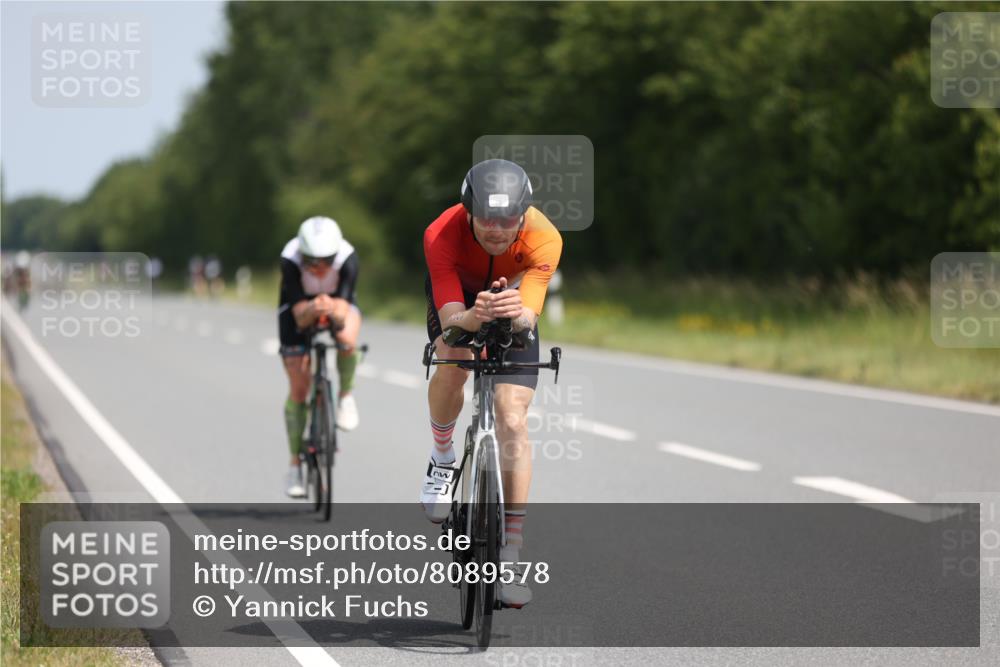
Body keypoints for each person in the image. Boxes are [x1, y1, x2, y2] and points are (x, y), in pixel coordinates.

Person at [420, 159, 563, 608]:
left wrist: (508, 312)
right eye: (487, 219)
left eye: (508, 220)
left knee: (512, 418)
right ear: (468, 213)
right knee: (454, 358)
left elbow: (529, 315)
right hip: (459, 303)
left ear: (523, 215)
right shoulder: (440, 234)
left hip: (512, 301)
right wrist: (472, 315)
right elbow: (450, 324)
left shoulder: (545, 237)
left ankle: (510, 552)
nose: (498, 230)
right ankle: (443, 456)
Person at [278, 216, 363, 497]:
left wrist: (332, 311)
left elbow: (343, 308)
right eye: (311, 261)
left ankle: (345, 396)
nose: (318, 268)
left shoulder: (348, 258)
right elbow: (300, 317)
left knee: (346, 339)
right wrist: (313, 310)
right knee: (299, 388)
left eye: (325, 260)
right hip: (298, 308)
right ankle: (294, 465)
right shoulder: (289, 259)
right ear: (301, 254)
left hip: (337, 301)